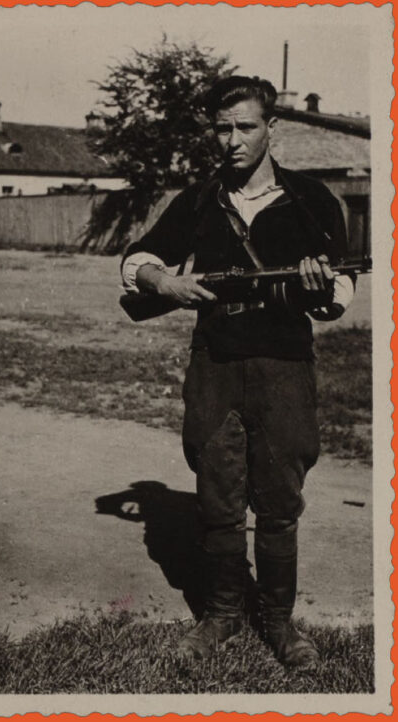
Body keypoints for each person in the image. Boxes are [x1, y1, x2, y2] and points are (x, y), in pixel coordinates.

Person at [120, 76, 355, 667]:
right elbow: (138, 259)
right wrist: (165, 282)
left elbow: (340, 289)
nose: (232, 140)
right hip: (215, 366)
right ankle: (222, 615)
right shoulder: (199, 200)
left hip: (283, 368)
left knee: (279, 499)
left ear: (271, 129)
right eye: (222, 129)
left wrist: (316, 285)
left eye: (245, 127)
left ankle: (278, 623)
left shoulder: (311, 200)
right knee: (217, 494)